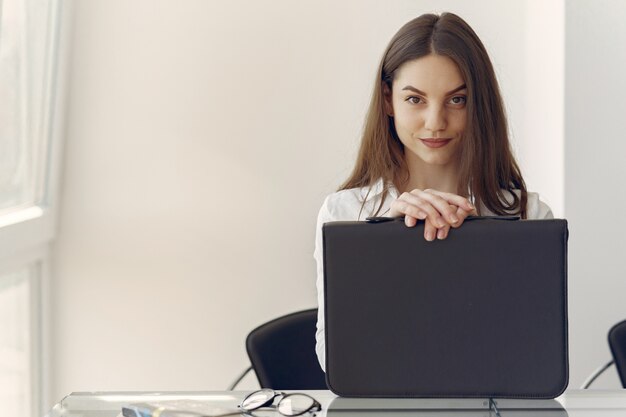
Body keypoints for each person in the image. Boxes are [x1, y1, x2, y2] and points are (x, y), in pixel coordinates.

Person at [314, 12, 553, 371]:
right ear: (387, 101)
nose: (435, 122)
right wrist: (386, 244)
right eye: (415, 100)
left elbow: (538, 358)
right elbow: (335, 361)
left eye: (457, 100)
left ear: (479, 106)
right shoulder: (345, 215)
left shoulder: (527, 218)